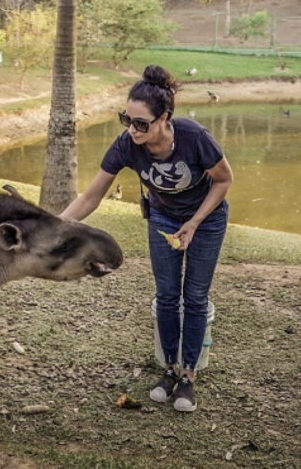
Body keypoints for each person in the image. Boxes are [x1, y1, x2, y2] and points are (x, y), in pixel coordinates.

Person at [60, 65, 233, 412]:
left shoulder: (193, 136)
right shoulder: (126, 144)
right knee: (167, 295)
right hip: (164, 218)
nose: (133, 130)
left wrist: (196, 222)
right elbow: (91, 196)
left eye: (141, 123)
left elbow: (224, 180)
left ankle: (188, 377)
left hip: (207, 220)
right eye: (127, 120)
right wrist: (56, 225)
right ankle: (168, 369)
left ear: (164, 119)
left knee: (195, 297)